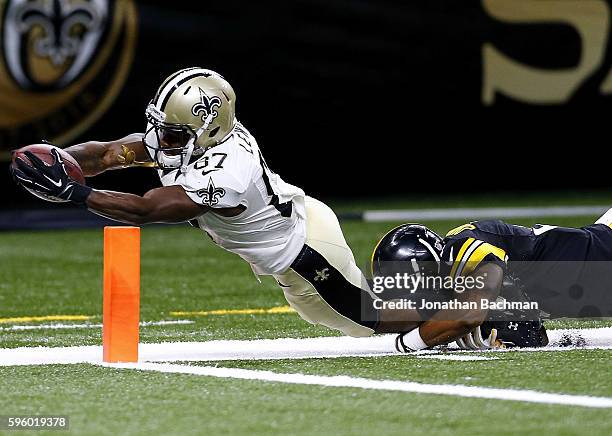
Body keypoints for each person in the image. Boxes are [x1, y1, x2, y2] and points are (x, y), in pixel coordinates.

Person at [10, 67, 418, 338]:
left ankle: (470, 313)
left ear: (207, 129)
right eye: (160, 128)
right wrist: (61, 159)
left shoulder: (227, 173)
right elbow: (108, 153)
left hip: (304, 253)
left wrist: (71, 192)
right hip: (304, 217)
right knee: (369, 304)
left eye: (171, 134)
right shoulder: (199, 135)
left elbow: (146, 209)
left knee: (371, 320)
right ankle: (448, 294)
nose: (159, 140)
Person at [371, 212, 612, 351]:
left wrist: (410, 343)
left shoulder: (460, 246)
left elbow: (470, 315)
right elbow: (534, 336)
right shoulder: (460, 269)